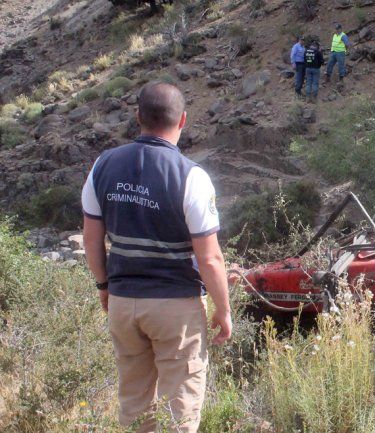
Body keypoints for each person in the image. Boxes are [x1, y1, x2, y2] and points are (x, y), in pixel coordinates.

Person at [81, 81, 232, 433]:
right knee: (180, 408)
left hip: (122, 301)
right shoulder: (191, 176)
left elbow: (91, 240)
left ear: (138, 117)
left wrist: (104, 285)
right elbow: (209, 258)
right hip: (175, 308)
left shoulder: (103, 164)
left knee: (134, 404)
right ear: (182, 120)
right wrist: (223, 310)